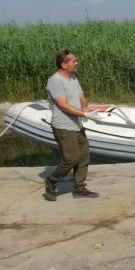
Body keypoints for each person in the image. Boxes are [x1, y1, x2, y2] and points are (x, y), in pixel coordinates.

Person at [43, 50, 101, 201]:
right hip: (63, 126)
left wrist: (86, 108)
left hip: (76, 124)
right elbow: (63, 106)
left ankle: (79, 188)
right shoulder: (55, 81)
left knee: (84, 156)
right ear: (64, 64)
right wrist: (85, 115)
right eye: (74, 61)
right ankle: (52, 181)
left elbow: (80, 96)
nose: (77, 63)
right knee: (71, 158)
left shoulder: (73, 78)